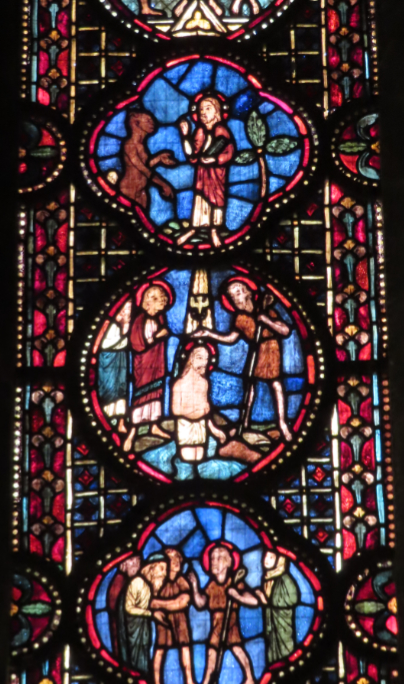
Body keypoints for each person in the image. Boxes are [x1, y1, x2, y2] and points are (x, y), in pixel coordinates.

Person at [195, 277, 293, 441]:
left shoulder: (266, 310)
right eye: (233, 296)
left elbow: (285, 330)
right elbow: (231, 338)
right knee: (250, 386)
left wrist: (266, 320)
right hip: (256, 351)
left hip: (271, 349)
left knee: (276, 384)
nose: (237, 297)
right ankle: (244, 423)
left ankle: (282, 424)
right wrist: (208, 334)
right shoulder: (240, 319)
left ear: (248, 293)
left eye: (239, 292)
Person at [188, 543, 256, 684]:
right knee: (216, 652)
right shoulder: (212, 585)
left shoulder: (234, 582)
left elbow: (254, 601)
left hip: (229, 622)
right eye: (212, 558)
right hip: (216, 623)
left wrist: (237, 596)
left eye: (219, 558)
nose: (214, 561)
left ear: (228, 562)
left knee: (235, 649)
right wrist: (194, 587)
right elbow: (200, 603)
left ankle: (249, 679)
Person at [176, 94, 235, 248]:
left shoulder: (222, 130)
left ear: (217, 112)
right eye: (201, 109)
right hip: (202, 174)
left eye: (207, 108)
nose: (203, 112)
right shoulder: (200, 132)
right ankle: (194, 228)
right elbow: (192, 156)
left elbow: (229, 151)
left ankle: (214, 230)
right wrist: (185, 135)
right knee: (200, 199)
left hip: (217, 174)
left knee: (217, 199)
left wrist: (215, 160)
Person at [124, 282, 172, 452]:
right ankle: (132, 432)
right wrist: (158, 336)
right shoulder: (139, 320)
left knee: (155, 396)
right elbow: (137, 344)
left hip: (156, 365)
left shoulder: (160, 318)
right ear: (148, 302)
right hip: (143, 366)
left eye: (164, 303)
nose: (163, 305)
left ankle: (154, 426)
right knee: (141, 398)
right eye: (160, 301)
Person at [228, 549, 299, 664]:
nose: (266, 560)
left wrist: (263, 598)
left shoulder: (285, 579)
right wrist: (240, 596)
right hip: (271, 625)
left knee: (284, 650)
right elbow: (260, 601)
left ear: (279, 561)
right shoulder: (268, 578)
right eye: (265, 556)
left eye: (271, 558)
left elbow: (291, 599)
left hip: (282, 625)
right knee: (271, 650)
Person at [149, 548, 197, 684]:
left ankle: (189, 683)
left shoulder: (182, 581)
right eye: (171, 559)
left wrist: (159, 604)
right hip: (163, 620)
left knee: (185, 648)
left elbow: (182, 602)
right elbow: (149, 602)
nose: (176, 561)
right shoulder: (158, 582)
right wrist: (161, 604)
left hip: (180, 619)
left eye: (178, 558)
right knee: (160, 649)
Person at [170, 344, 226, 472]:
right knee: (187, 462)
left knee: (200, 462)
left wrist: (215, 431)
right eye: (200, 358)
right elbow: (176, 411)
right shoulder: (179, 384)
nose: (204, 363)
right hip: (185, 428)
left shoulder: (204, 383)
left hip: (200, 428)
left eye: (207, 359)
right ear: (191, 359)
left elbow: (206, 413)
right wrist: (198, 411)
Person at [116, 110, 176, 210]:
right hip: (129, 189)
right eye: (148, 121)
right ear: (137, 123)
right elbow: (143, 169)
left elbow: (144, 166)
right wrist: (163, 184)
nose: (152, 123)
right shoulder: (129, 145)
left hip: (142, 191)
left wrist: (158, 159)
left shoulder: (141, 146)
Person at [123, 556, 167, 674]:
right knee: (138, 656)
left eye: (166, 570)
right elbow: (128, 608)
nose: (164, 573)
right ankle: (140, 674)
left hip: (144, 626)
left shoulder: (149, 586)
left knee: (145, 652)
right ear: (151, 568)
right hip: (135, 627)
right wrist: (151, 614)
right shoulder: (137, 582)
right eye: (162, 568)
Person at [97, 299, 132, 433]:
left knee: (121, 391)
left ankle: (121, 422)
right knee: (109, 391)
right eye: (127, 310)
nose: (129, 313)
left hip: (120, 359)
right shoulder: (109, 325)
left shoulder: (123, 326)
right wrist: (124, 335)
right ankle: (108, 420)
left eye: (130, 310)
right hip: (107, 361)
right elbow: (106, 345)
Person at [107, 553, 141, 664]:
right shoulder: (118, 582)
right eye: (131, 560)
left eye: (138, 560)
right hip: (124, 637)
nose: (135, 564)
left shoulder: (139, 582)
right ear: (123, 564)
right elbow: (113, 607)